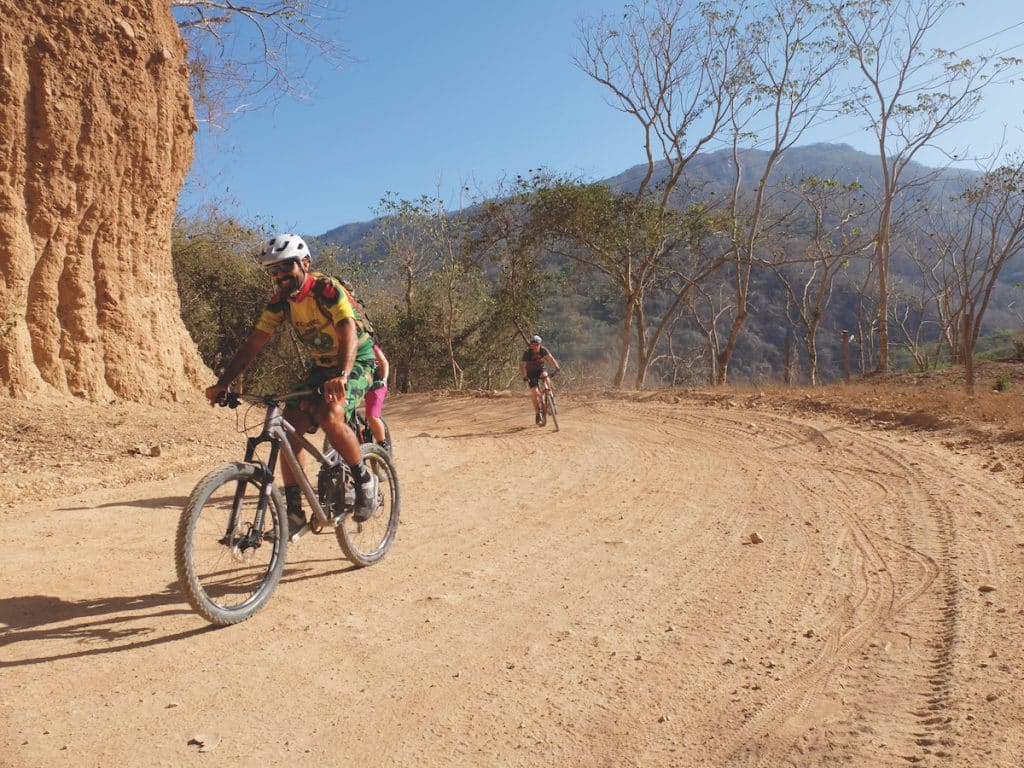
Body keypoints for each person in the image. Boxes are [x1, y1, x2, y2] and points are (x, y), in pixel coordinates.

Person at [204, 233, 380, 531]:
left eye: (286, 267)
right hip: (322, 367)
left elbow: (347, 328)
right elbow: (253, 345)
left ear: (305, 263)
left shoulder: (326, 290)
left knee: (329, 414)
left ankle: (364, 482)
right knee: (290, 423)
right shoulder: (280, 303)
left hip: (357, 360)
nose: (280, 275)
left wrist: (343, 374)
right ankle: (295, 511)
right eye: (274, 271)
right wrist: (223, 382)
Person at [520, 334, 560, 424]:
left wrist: (557, 367)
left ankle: (551, 399)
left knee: (546, 376)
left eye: (537, 345)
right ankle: (538, 413)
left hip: (540, 370)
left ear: (540, 345)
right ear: (531, 345)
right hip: (531, 374)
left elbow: (551, 359)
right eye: (533, 345)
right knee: (535, 392)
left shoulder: (543, 350)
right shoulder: (527, 353)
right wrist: (524, 376)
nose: (535, 347)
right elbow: (522, 365)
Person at [364, 342, 390, 452]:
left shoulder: (370, 346)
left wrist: (384, 380)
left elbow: (384, 362)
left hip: (376, 386)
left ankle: (383, 446)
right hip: (360, 388)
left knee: (372, 416)